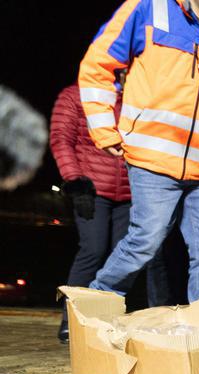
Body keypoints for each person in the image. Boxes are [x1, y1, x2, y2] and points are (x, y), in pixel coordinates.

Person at [78, 0, 199, 304]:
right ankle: (96, 302)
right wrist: (103, 127)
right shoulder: (148, 10)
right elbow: (97, 66)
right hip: (153, 160)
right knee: (145, 241)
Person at [50, 81, 131, 341]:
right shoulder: (74, 95)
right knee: (93, 250)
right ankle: (70, 320)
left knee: (124, 257)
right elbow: (61, 139)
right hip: (91, 189)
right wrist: (75, 180)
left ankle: (108, 320)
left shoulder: (133, 96)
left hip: (130, 192)